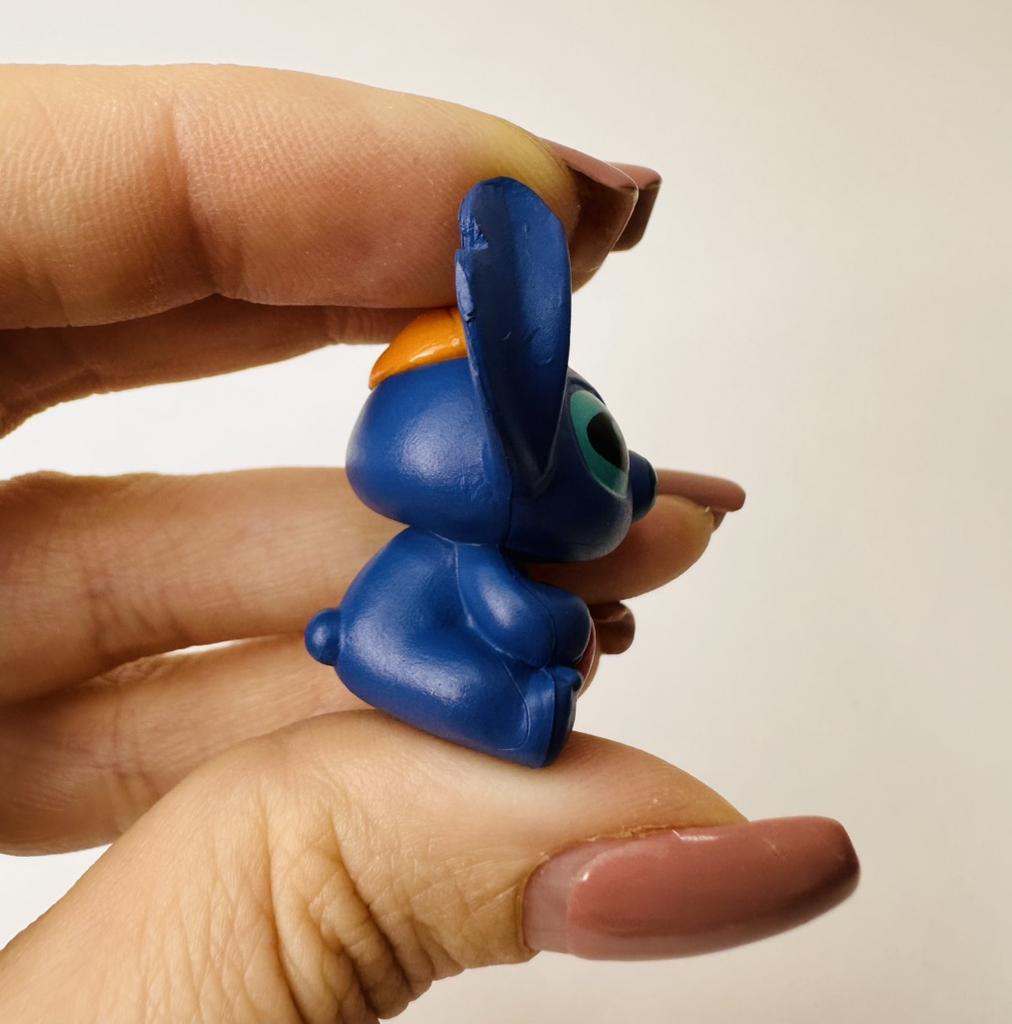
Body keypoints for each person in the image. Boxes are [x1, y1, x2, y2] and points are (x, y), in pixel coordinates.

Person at [0, 64, 857, 1022]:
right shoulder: (471, 552)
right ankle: (515, 722)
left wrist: (555, 624)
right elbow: (508, 615)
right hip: (387, 648)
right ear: (517, 441)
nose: (636, 481)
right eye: (605, 449)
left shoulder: (465, 545)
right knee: (505, 692)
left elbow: (517, 611)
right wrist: (550, 640)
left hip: (376, 631)